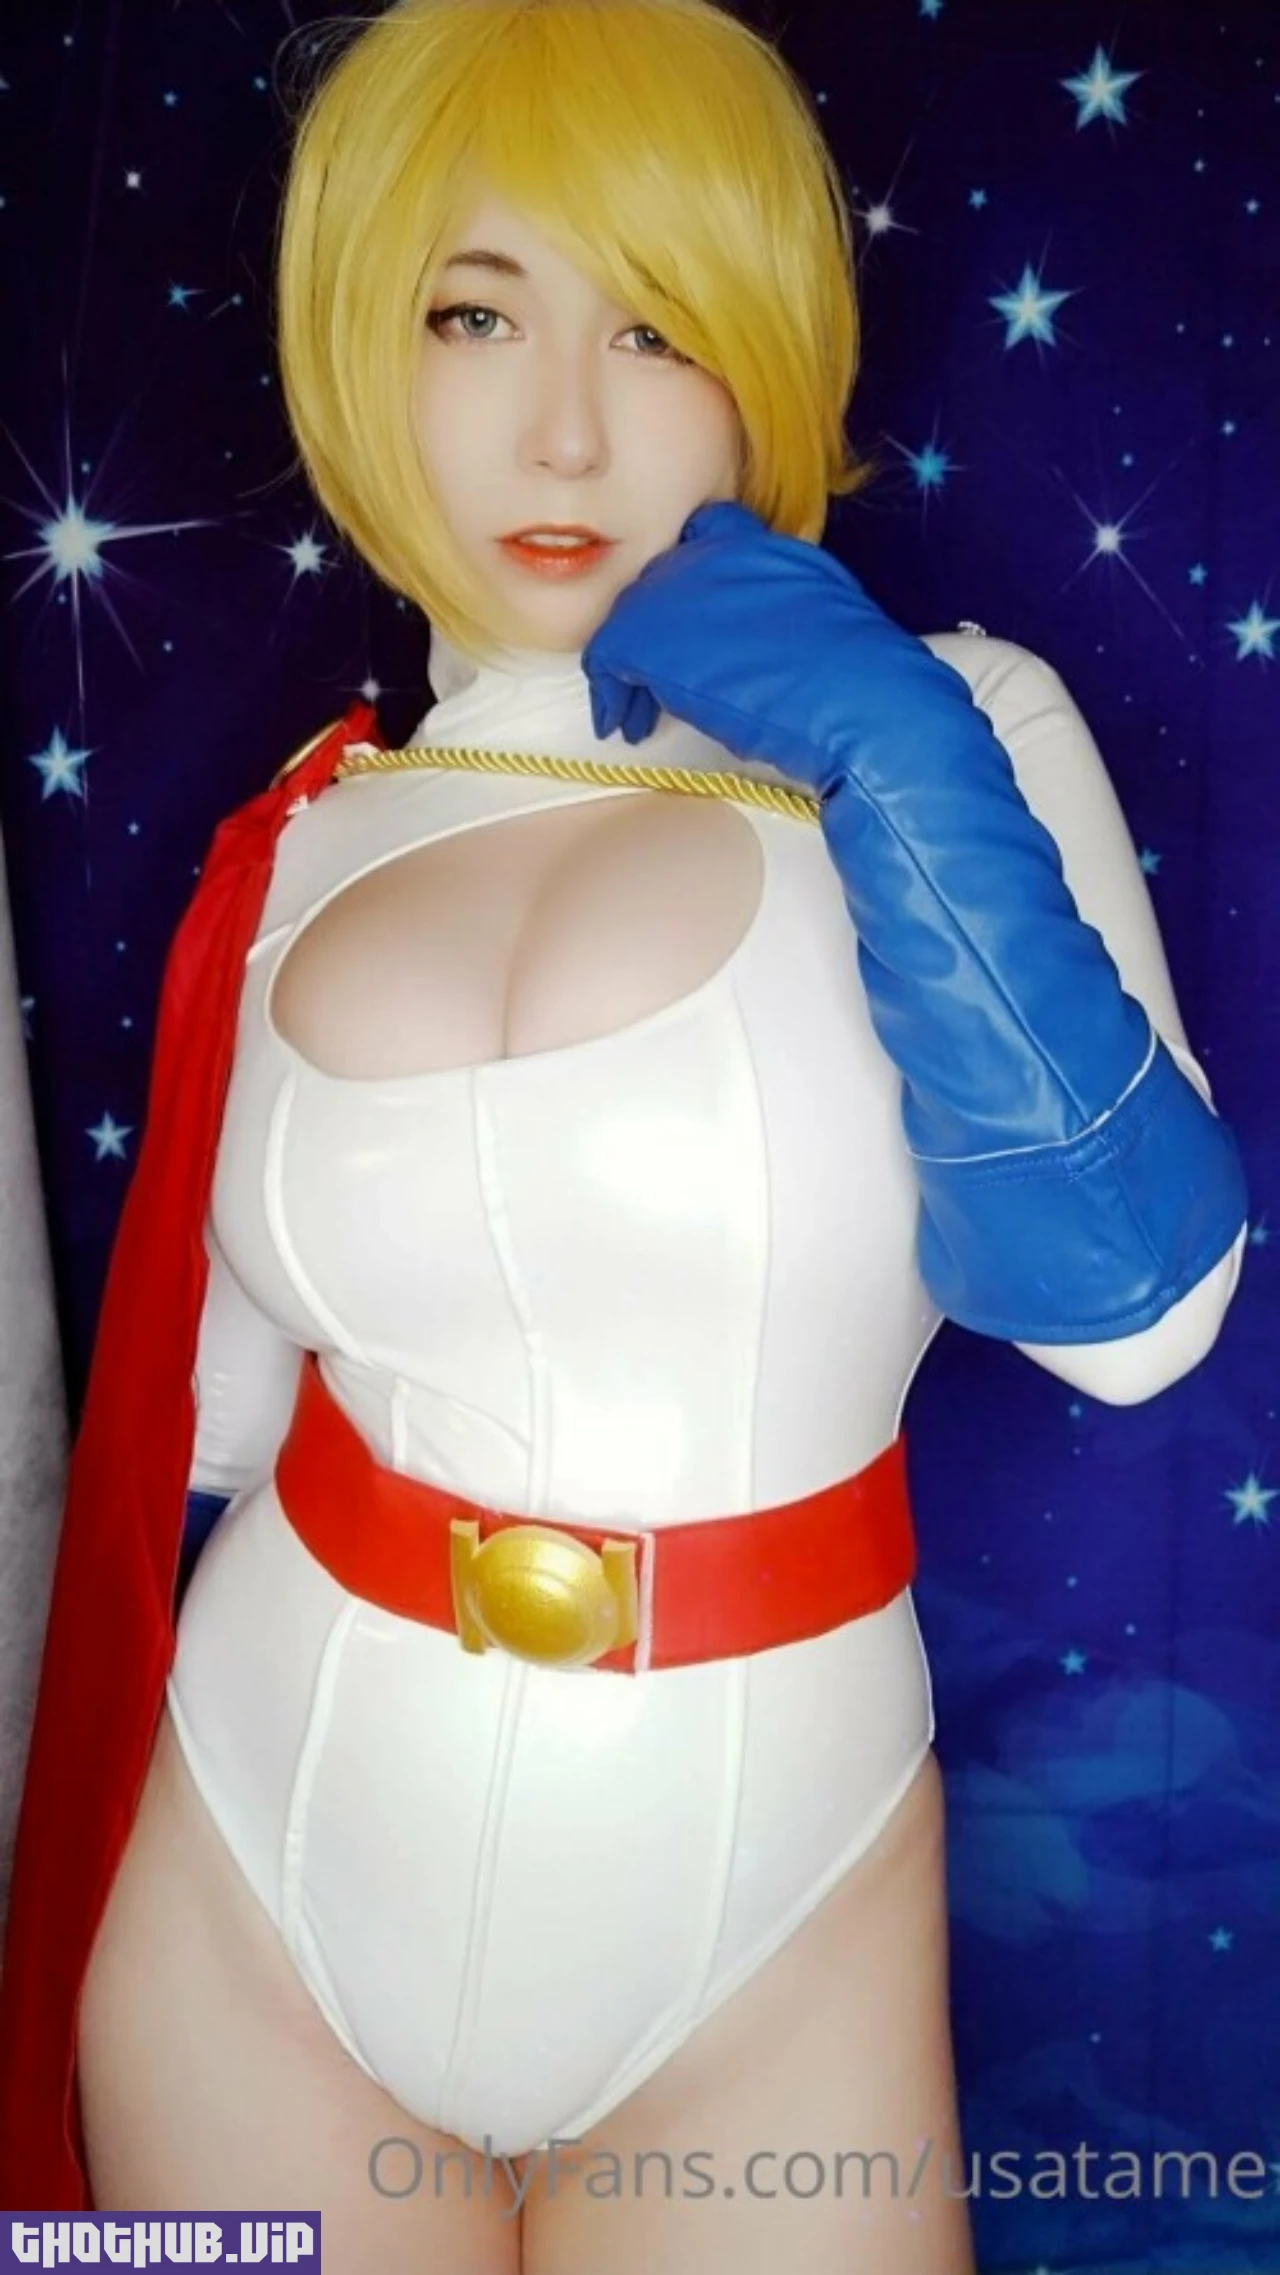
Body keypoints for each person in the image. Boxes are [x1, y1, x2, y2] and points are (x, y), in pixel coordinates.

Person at [0, 1, 1248, 2265]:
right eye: (472, 314)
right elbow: (207, 1429)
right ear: (358, 345)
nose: (564, 423)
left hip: (761, 1928)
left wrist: (895, 763)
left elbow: (1135, 1317)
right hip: (253, 1878)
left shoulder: (958, 720)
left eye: (656, 325)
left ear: (765, 357)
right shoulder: (296, 838)